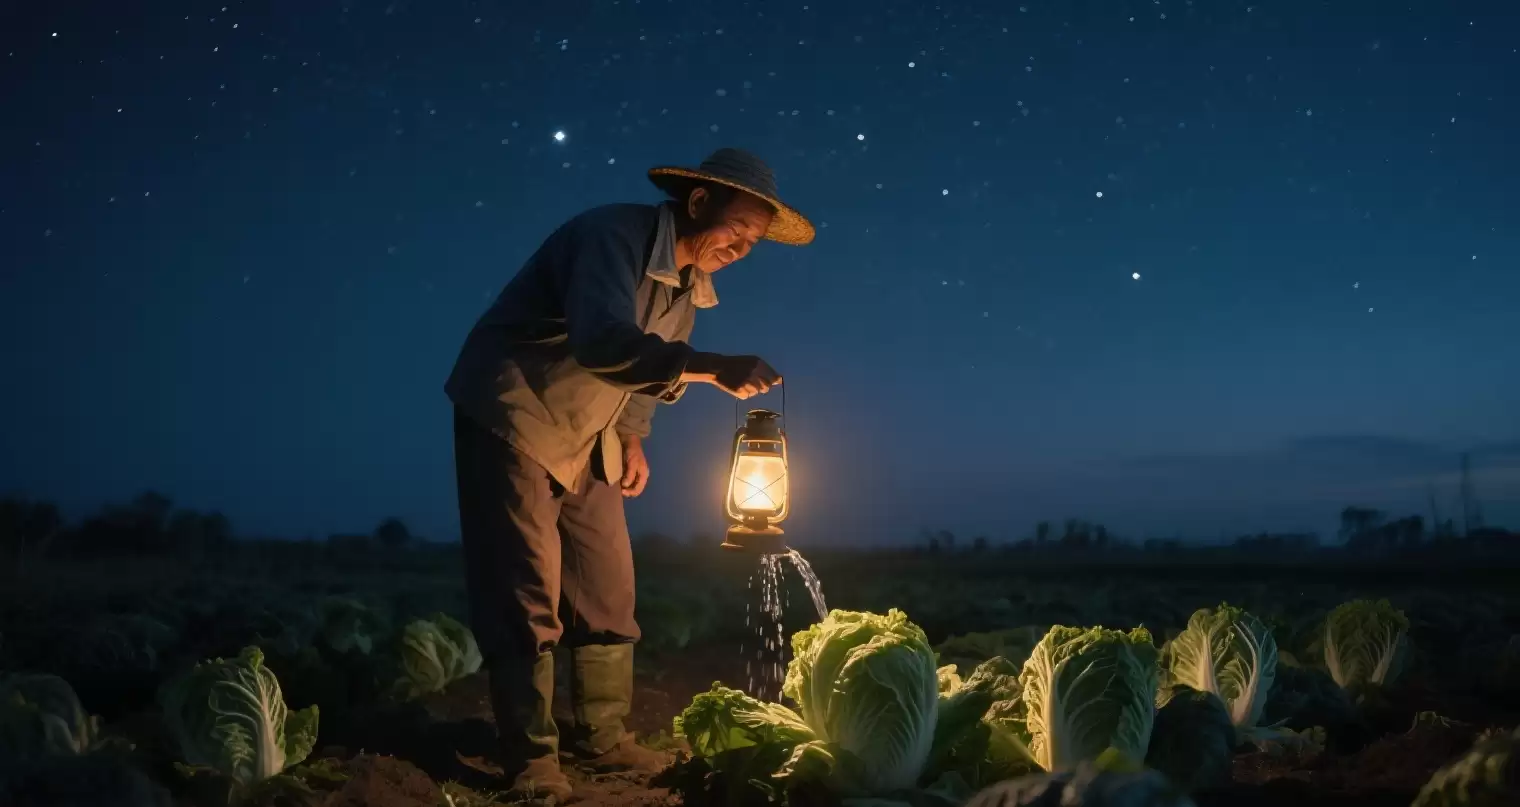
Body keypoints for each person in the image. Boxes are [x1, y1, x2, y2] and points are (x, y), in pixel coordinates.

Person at [443, 148, 814, 801]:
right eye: (738, 228)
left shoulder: (688, 290)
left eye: (755, 241)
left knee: (607, 582)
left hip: (591, 431)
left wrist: (632, 437)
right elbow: (603, 340)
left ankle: (601, 737)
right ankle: (530, 758)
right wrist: (709, 365)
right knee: (526, 586)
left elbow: (640, 381)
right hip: (518, 411)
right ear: (698, 202)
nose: (743, 247)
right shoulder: (610, 237)